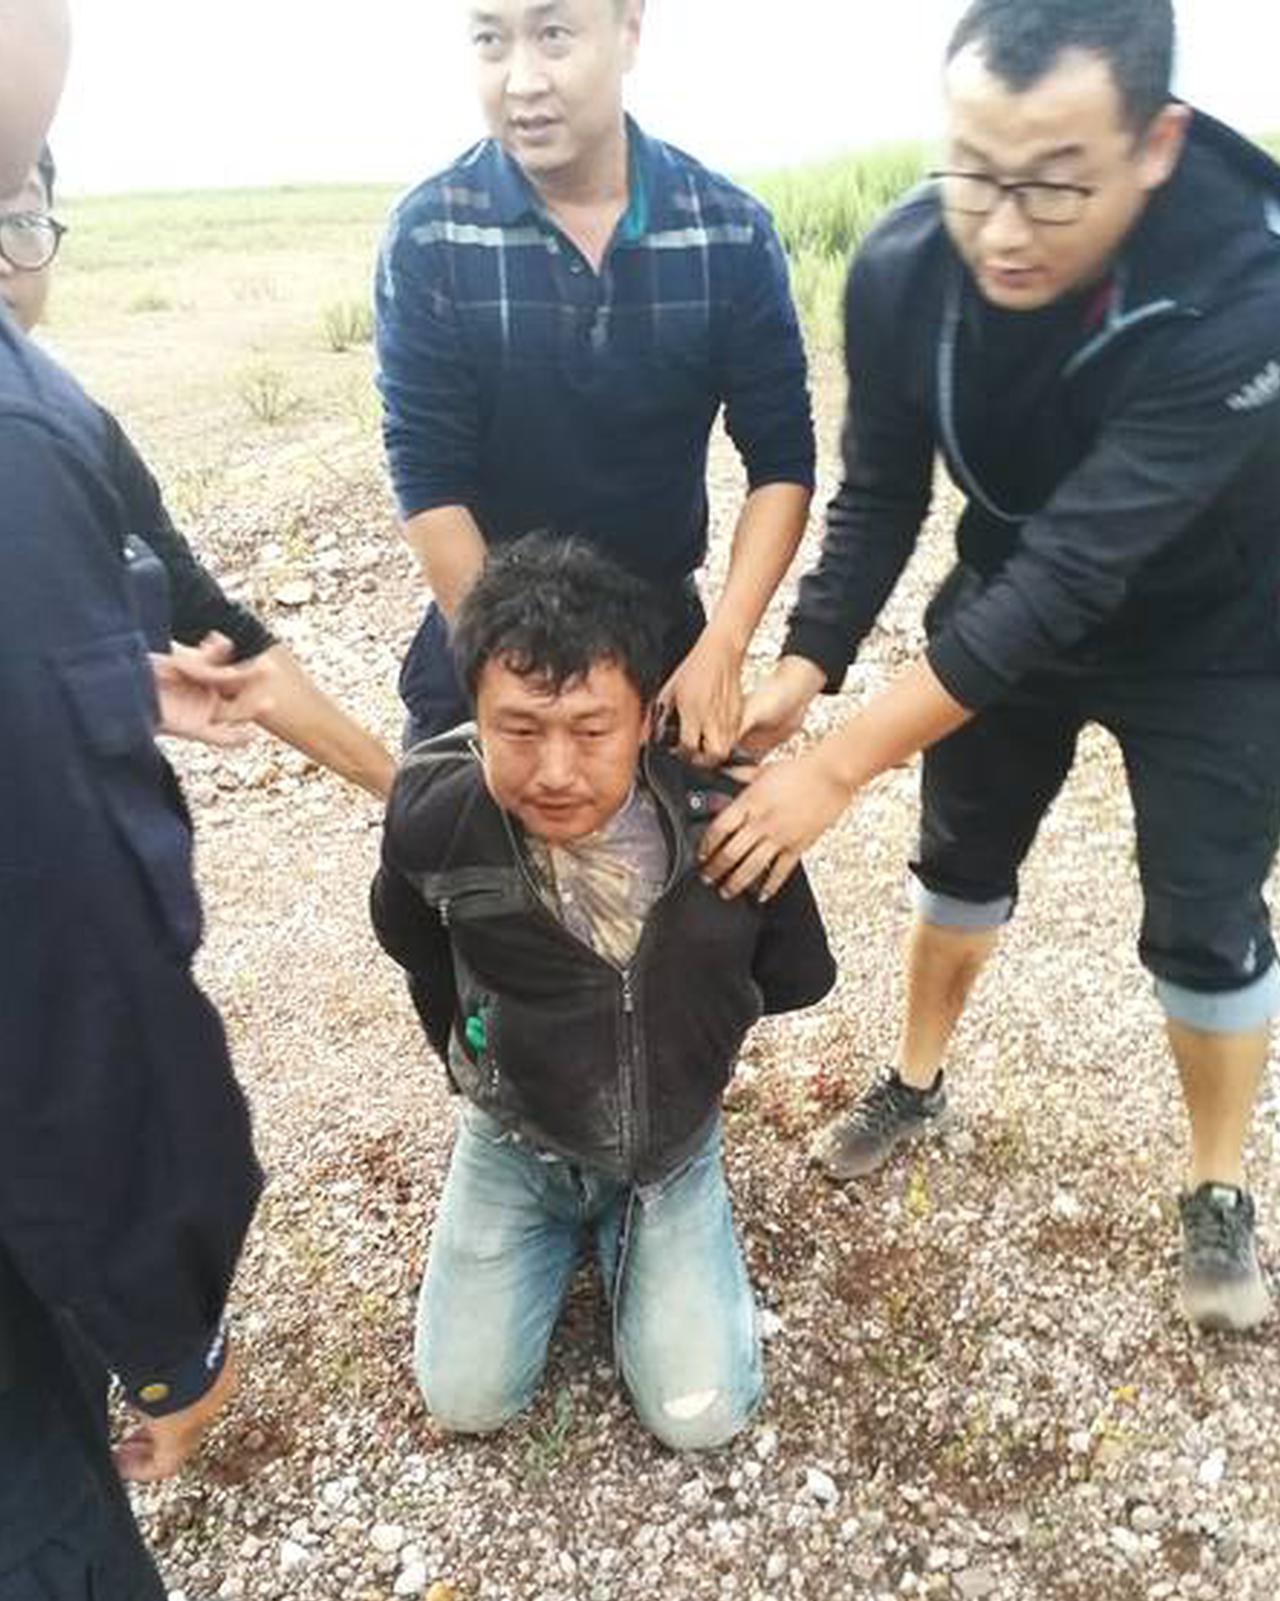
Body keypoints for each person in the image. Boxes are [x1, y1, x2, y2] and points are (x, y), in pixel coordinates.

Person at [702, 0, 1280, 1331]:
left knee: (1206, 917)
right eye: (974, 173)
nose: (1004, 229)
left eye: (1054, 185)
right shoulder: (908, 264)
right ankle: (915, 1079)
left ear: (1156, 145)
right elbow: (880, 491)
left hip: (1217, 638)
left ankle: (1217, 1187)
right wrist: (807, 666)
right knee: (957, 867)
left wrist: (838, 763)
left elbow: (1080, 572)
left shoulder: (1244, 286)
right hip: (1005, 591)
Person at [370, 536, 834, 1449]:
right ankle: (567, 1214)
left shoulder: (724, 817)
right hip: (515, 1136)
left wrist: (675, 1076)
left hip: (667, 1148)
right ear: (470, 716)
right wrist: (477, 1064)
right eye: (517, 728)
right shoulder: (434, 815)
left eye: (591, 730)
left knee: (703, 1417)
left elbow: (787, 976)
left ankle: (654, 1215)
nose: (554, 770)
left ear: (646, 714)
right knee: (467, 1399)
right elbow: (419, 953)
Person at [0, 5, 263, 1594]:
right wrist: (168, 1332)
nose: (26, 251)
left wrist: (68, 680)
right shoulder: (19, 438)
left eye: (36, 200)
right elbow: (78, 978)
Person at [375, 0, 815, 760]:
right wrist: (515, 678)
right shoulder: (433, 236)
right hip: (486, 620)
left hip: (661, 632)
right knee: (457, 862)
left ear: (630, 32)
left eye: (553, 35)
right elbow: (427, 475)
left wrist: (725, 647)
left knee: (706, 867)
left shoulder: (725, 230)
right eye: (490, 39)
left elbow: (780, 462)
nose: (522, 81)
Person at [0, 147, 397, 800]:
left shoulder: (83, 438)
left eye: (21, 220)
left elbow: (218, 632)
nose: (6, 258)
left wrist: (404, 793)